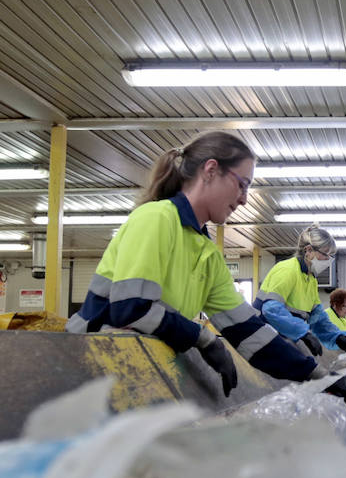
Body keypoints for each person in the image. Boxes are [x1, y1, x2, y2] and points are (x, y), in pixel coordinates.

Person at [67, 131, 316, 394]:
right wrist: (203, 338)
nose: (244, 199)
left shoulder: (207, 254)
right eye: (242, 185)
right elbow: (132, 309)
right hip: (82, 368)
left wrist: (315, 374)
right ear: (211, 170)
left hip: (125, 371)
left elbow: (247, 330)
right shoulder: (156, 218)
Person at [255, 225, 346, 355]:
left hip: (282, 339)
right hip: (263, 339)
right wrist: (303, 333)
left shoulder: (311, 280)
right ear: (308, 250)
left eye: (331, 257)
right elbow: (271, 310)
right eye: (325, 255)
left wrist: (337, 337)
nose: (328, 260)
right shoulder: (287, 270)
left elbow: (318, 318)